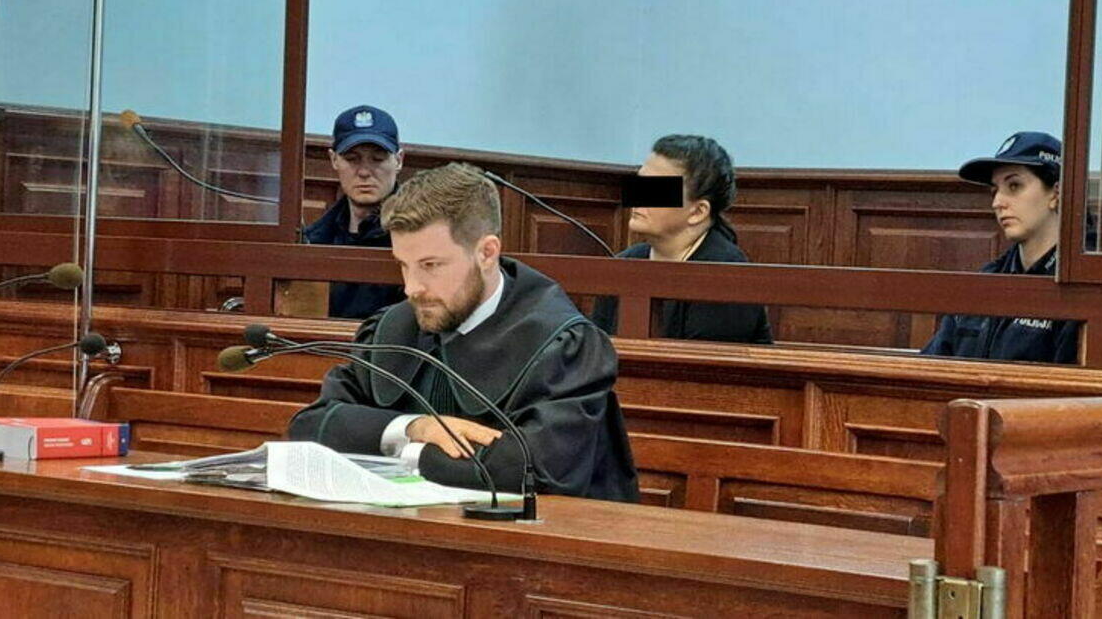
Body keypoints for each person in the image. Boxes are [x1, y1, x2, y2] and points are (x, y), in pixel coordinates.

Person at [288, 162, 639, 502]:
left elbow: (537, 471)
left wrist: (403, 452)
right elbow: (311, 426)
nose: (412, 288)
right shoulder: (392, 328)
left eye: (431, 265)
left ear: (487, 253)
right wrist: (415, 427)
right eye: (403, 265)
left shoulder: (560, 344)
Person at [591, 135, 773, 344]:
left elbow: (702, 361)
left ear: (698, 212)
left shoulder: (726, 273)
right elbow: (597, 348)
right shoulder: (625, 263)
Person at [921, 132, 1080, 363]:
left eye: (1014, 186)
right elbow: (929, 365)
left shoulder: (1078, 289)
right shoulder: (984, 283)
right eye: (995, 190)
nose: (997, 203)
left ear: (1056, 193)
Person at [303, 105, 407, 319]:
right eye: (352, 159)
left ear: (398, 161)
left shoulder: (417, 235)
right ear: (334, 160)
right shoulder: (313, 239)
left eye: (377, 159)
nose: (364, 172)